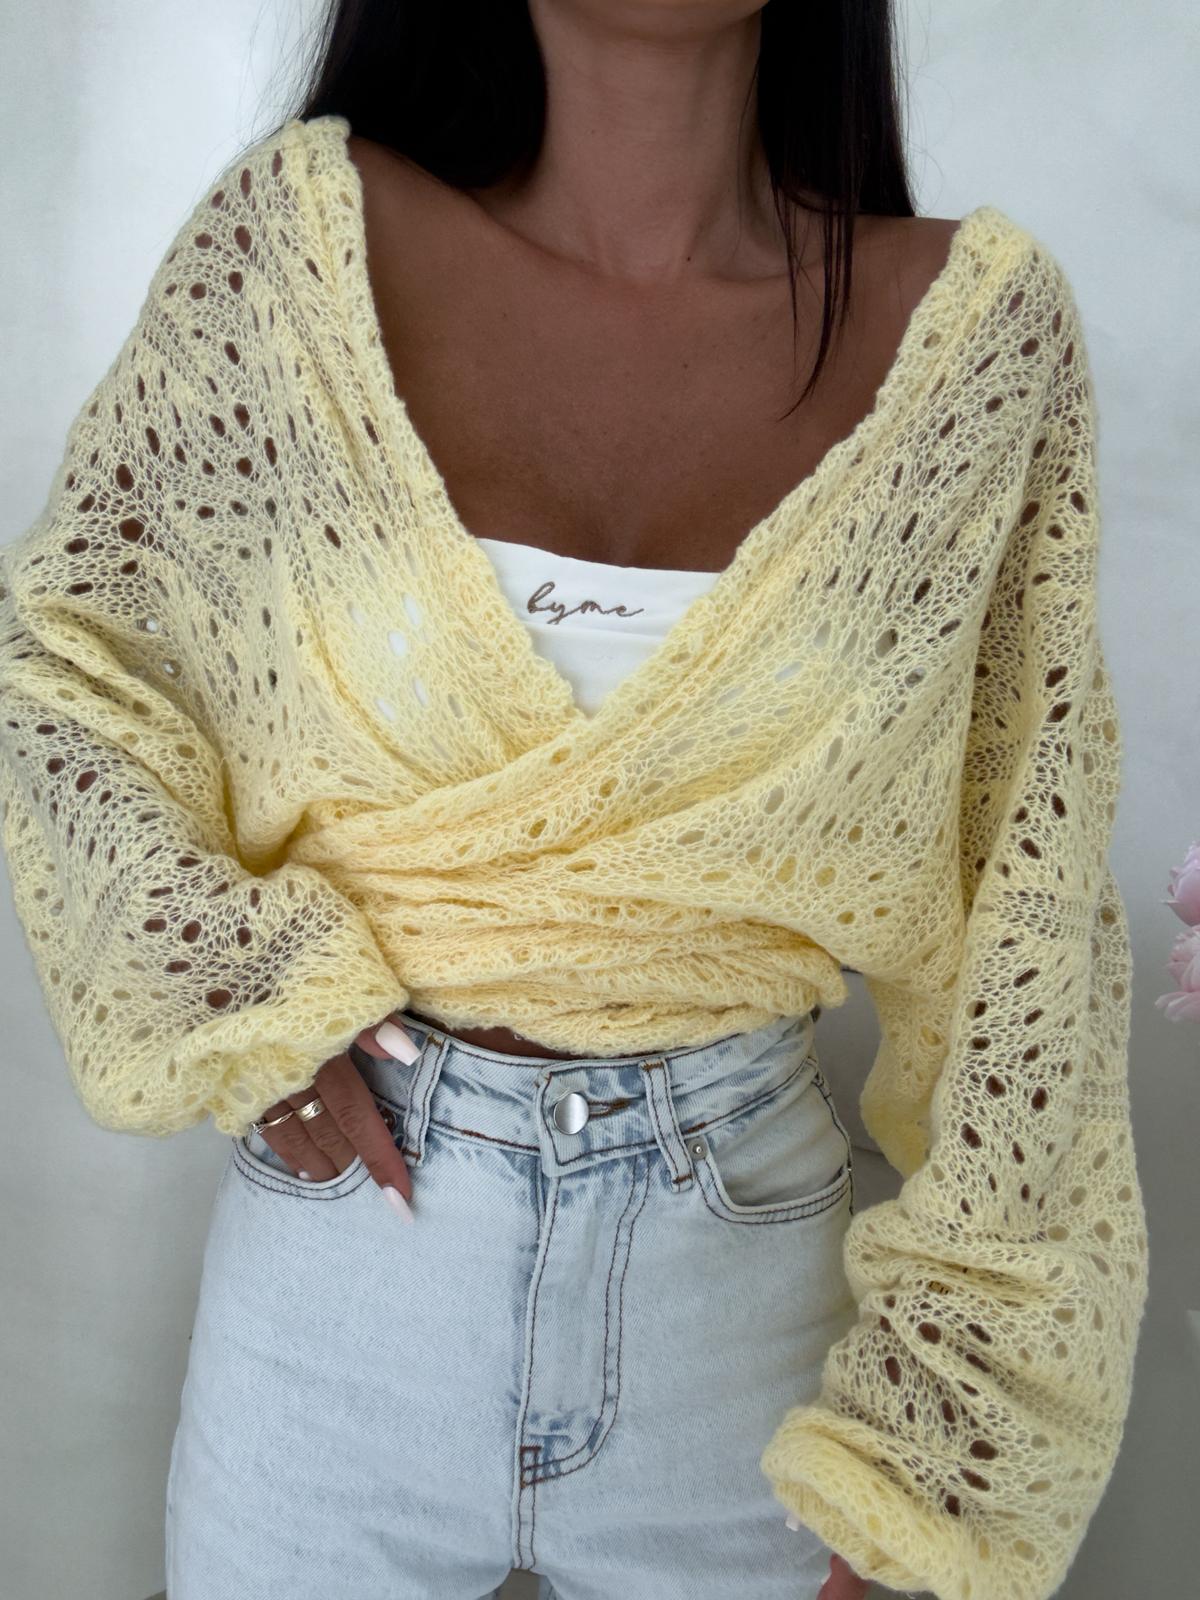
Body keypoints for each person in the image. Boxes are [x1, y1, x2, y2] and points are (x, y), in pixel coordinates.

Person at [0, 3, 1148, 1599]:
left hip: (744, 1322)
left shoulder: (971, 340)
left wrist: (945, 1446)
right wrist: (234, 996)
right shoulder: (296, 252)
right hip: (341, 1296)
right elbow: (70, 663)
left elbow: (1029, 905)